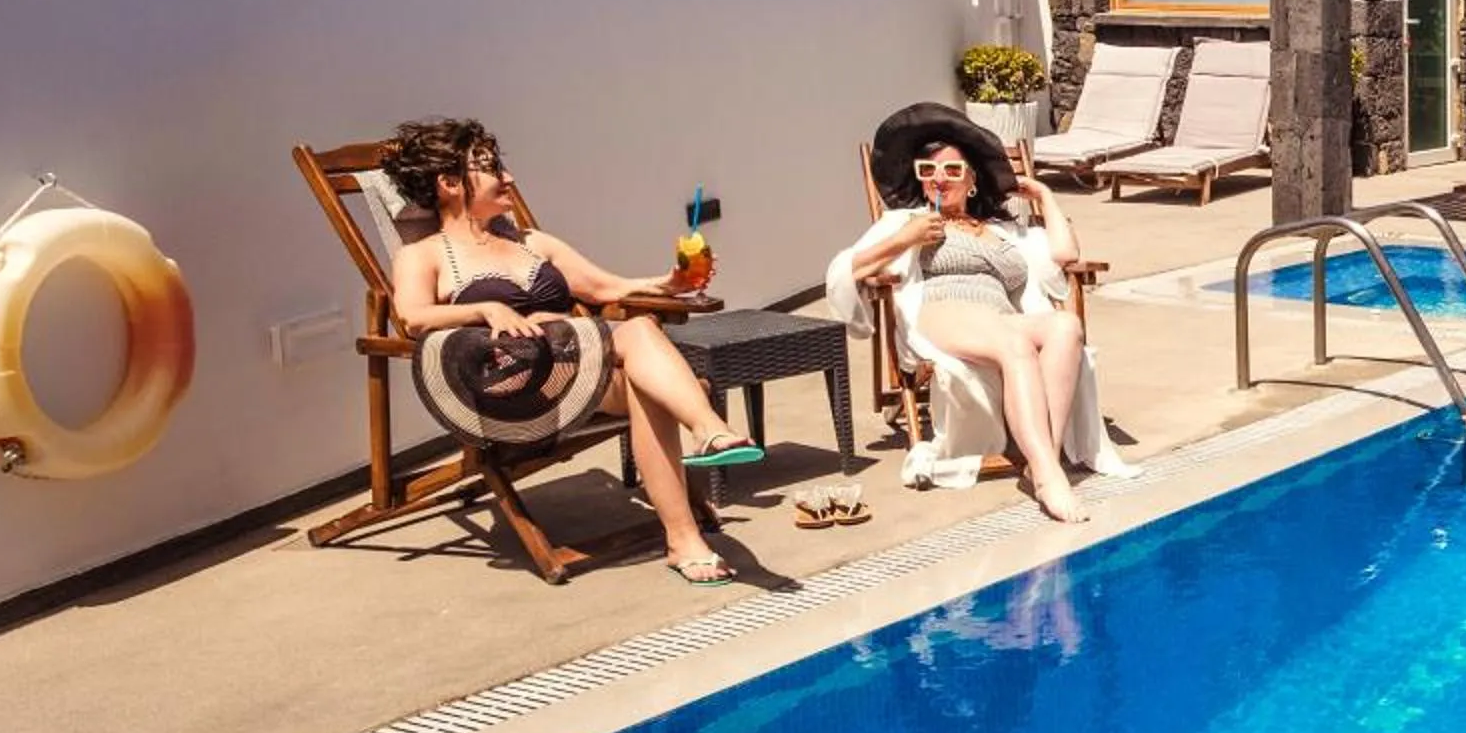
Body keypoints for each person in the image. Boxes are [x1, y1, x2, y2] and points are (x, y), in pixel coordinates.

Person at [380, 118, 755, 585]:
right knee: (640, 339)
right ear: (450, 183)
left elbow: (608, 287)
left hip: (583, 377)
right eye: (492, 167)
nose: (509, 178)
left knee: (644, 373)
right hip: (517, 394)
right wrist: (488, 309)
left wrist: (672, 282)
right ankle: (707, 431)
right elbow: (413, 316)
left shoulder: (532, 242)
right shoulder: (424, 255)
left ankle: (685, 538)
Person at [831, 110, 1121, 524]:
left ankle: (1043, 461)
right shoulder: (906, 221)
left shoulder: (1002, 230)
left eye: (952, 169)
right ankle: (1049, 476)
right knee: (1015, 344)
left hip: (999, 318)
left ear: (971, 181)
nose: (939, 178)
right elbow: (845, 270)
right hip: (944, 312)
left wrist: (1043, 195)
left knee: (1065, 326)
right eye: (927, 169)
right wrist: (904, 239)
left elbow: (1065, 254)